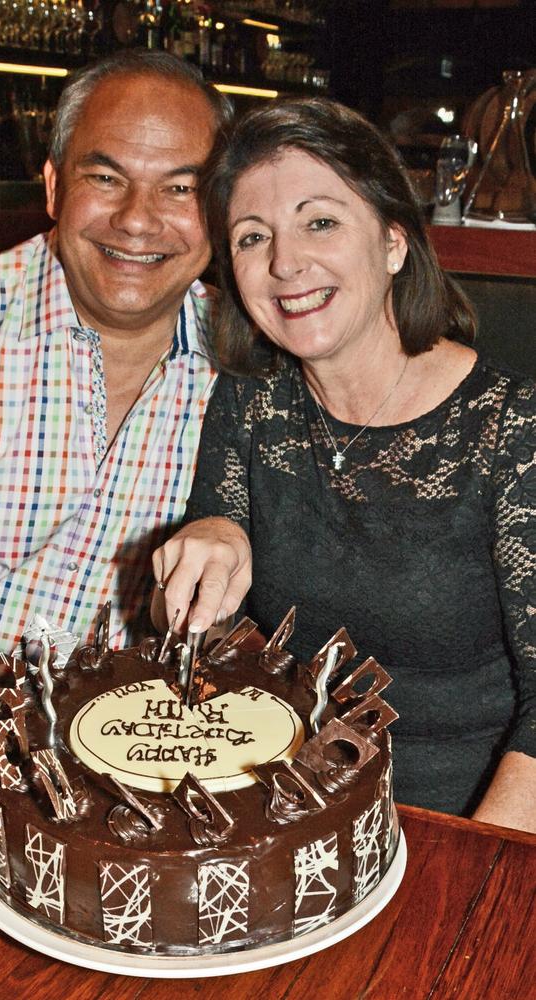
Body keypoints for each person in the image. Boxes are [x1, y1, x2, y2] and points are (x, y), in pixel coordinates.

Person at [152, 98, 536, 832]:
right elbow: (200, 634)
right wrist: (215, 538)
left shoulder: (512, 429)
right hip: (292, 810)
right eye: (252, 236)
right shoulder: (250, 404)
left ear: (394, 242)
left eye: (319, 221)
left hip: (467, 824)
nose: (285, 262)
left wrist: (470, 871)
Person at [0, 50, 232, 702]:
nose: (137, 218)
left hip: (145, 748)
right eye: (105, 177)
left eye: (181, 189)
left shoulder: (247, 357)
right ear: (52, 188)